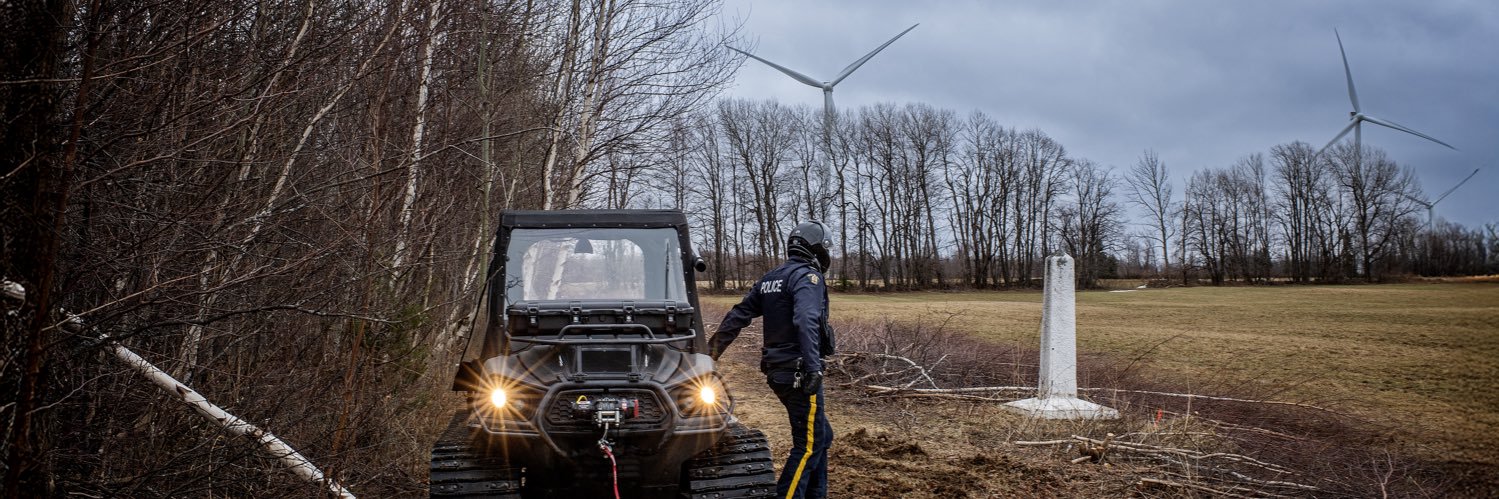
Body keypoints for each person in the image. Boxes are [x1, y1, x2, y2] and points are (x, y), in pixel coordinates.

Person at [709, 221, 836, 499]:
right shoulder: (807, 277)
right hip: (800, 372)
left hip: (778, 372)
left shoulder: (771, 278)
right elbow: (806, 320)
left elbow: (738, 315)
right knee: (808, 446)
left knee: (822, 436)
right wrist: (813, 367)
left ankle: (817, 493)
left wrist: (710, 354)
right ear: (817, 249)